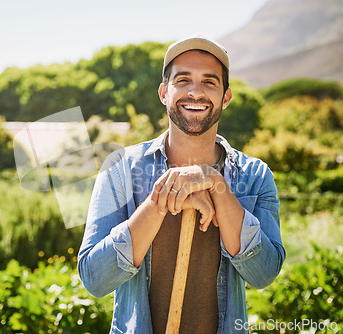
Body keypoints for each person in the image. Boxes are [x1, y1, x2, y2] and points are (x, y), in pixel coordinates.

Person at [78, 35, 285, 334]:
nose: (195, 92)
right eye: (183, 80)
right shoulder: (121, 168)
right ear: (164, 92)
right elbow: (94, 278)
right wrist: (159, 201)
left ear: (226, 97)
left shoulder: (255, 176)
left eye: (209, 82)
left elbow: (263, 274)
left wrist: (215, 184)